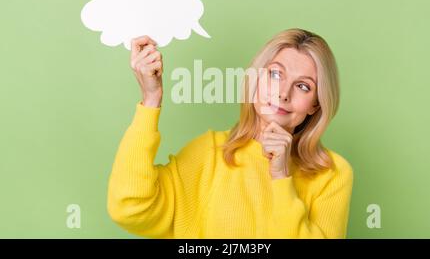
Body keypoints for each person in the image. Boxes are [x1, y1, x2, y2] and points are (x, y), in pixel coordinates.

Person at [107, 28, 354, 238]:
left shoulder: (333, 174)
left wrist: (280, 176)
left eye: (303, 86)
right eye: (276, 74)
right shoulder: (209, 153)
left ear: (315, 104)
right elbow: (129, 207)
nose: (283, 93)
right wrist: (151, 100)